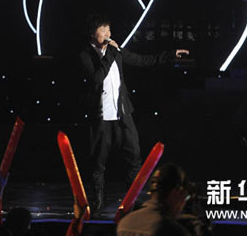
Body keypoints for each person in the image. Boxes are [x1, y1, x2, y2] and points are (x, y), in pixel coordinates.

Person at [79, 14, 189, 216]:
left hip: (122, 113)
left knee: (135, 156)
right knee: (98, 162)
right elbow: (97, 77)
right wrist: (109, 54)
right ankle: (97, 202)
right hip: (101, 115)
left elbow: (143, 60)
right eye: (103, 30)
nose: (108, 34)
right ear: (93, 34)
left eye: (109, 29)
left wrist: (170, 54)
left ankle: (130, 200)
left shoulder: (116, 51)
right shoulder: (85, 55)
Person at [116, 163, 192, 236]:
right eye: (185, 197)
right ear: (175, 193)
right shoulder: (172, 230)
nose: (183, 203)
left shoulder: (124, 224)